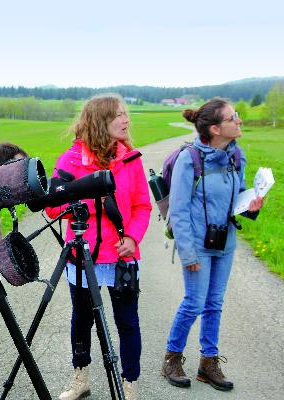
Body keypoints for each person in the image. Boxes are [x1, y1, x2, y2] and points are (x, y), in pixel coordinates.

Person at [46, 94, 152, 400]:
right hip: (83, 257)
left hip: (123, 257)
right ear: (99, 121)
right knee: (82, 320)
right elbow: (53, 209)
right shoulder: (70, 160)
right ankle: (80, 378)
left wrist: (132, 237)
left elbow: (143, 206)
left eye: (125, 114)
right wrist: (88, 201)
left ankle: (129, 384)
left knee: (127, 322)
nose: (126, 120)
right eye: (118, 115)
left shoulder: (131, 160)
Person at [161, 98, 263, 391]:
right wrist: (188, 253)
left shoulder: (236, 156)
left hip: (225, 242)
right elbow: (178, 211)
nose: (240, 120)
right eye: (234, 117)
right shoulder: (189, 159)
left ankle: (208, 363)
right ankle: (172, 357)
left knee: (214, 304)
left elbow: (238, 196)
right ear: (216, 128)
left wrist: (252, 205)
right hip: (197, 245)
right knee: (194, 303)